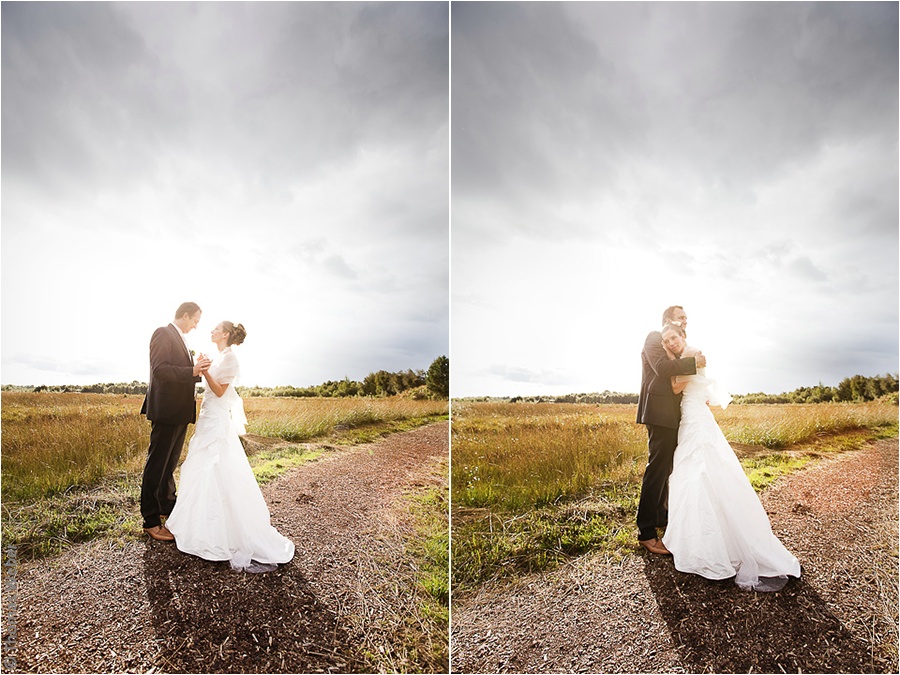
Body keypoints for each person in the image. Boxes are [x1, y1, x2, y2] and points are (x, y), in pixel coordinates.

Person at [659, 322, 801, 591]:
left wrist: (685, 366)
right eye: (666, 340)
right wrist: (684, 366)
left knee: (700, 470)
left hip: (695, 417)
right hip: (692, 415)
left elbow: (677, 387)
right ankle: (700, 540)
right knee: (693, 471)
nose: (670, 343)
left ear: (683, 336)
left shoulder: (693, 352)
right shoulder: (685, 357)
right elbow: (684, 384)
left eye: (674, 337)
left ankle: (715, 546)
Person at [165, 321, 295, 572]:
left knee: (215, 465)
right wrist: (205, 366)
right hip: (208, 416)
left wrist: (205, 372)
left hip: (216, 417)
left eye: (215, 329)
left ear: (225, 334)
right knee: (200, 465)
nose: (211, 331)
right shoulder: (221, 356)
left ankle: (219, 533)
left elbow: (221, 391)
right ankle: (197, 523)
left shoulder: (231, 359)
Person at [635, 306, 706, 555]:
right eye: (681, 317)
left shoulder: (679, 346)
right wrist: (693, 364)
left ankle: (661, 519)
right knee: (656, 469)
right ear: (667, 321)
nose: (686, 321)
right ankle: (645, 532)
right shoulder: (655, 337)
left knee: (666, 469)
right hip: (658, 411)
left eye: (686, 318)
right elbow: (662, 369)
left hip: (674, 414)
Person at [140, 302, 212, 542]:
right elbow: (160, 370)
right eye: (194, 321)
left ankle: (167, 506)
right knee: (157, 465)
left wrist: (197, 370)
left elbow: (179, 371)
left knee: (169, 464)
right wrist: (192, 371)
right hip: (166, 411)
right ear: (185, 315)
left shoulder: (180, 338)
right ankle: (150, 520)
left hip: (179, 412)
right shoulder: (163, 333)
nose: (195, 326)